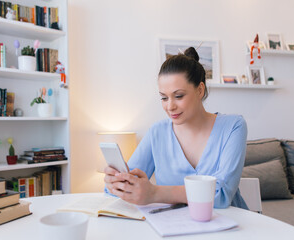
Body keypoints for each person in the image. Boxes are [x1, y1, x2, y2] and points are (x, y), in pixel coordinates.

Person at [104, 47, 248, 209]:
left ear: (200, 90)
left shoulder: (233, 126)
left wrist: (155, 193)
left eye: (178, 96)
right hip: (172, 229)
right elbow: (126, 188)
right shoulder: (157, 132)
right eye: (164, 98)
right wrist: (117, 183)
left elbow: (222, 195)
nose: (170, 106)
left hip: (229, 227)